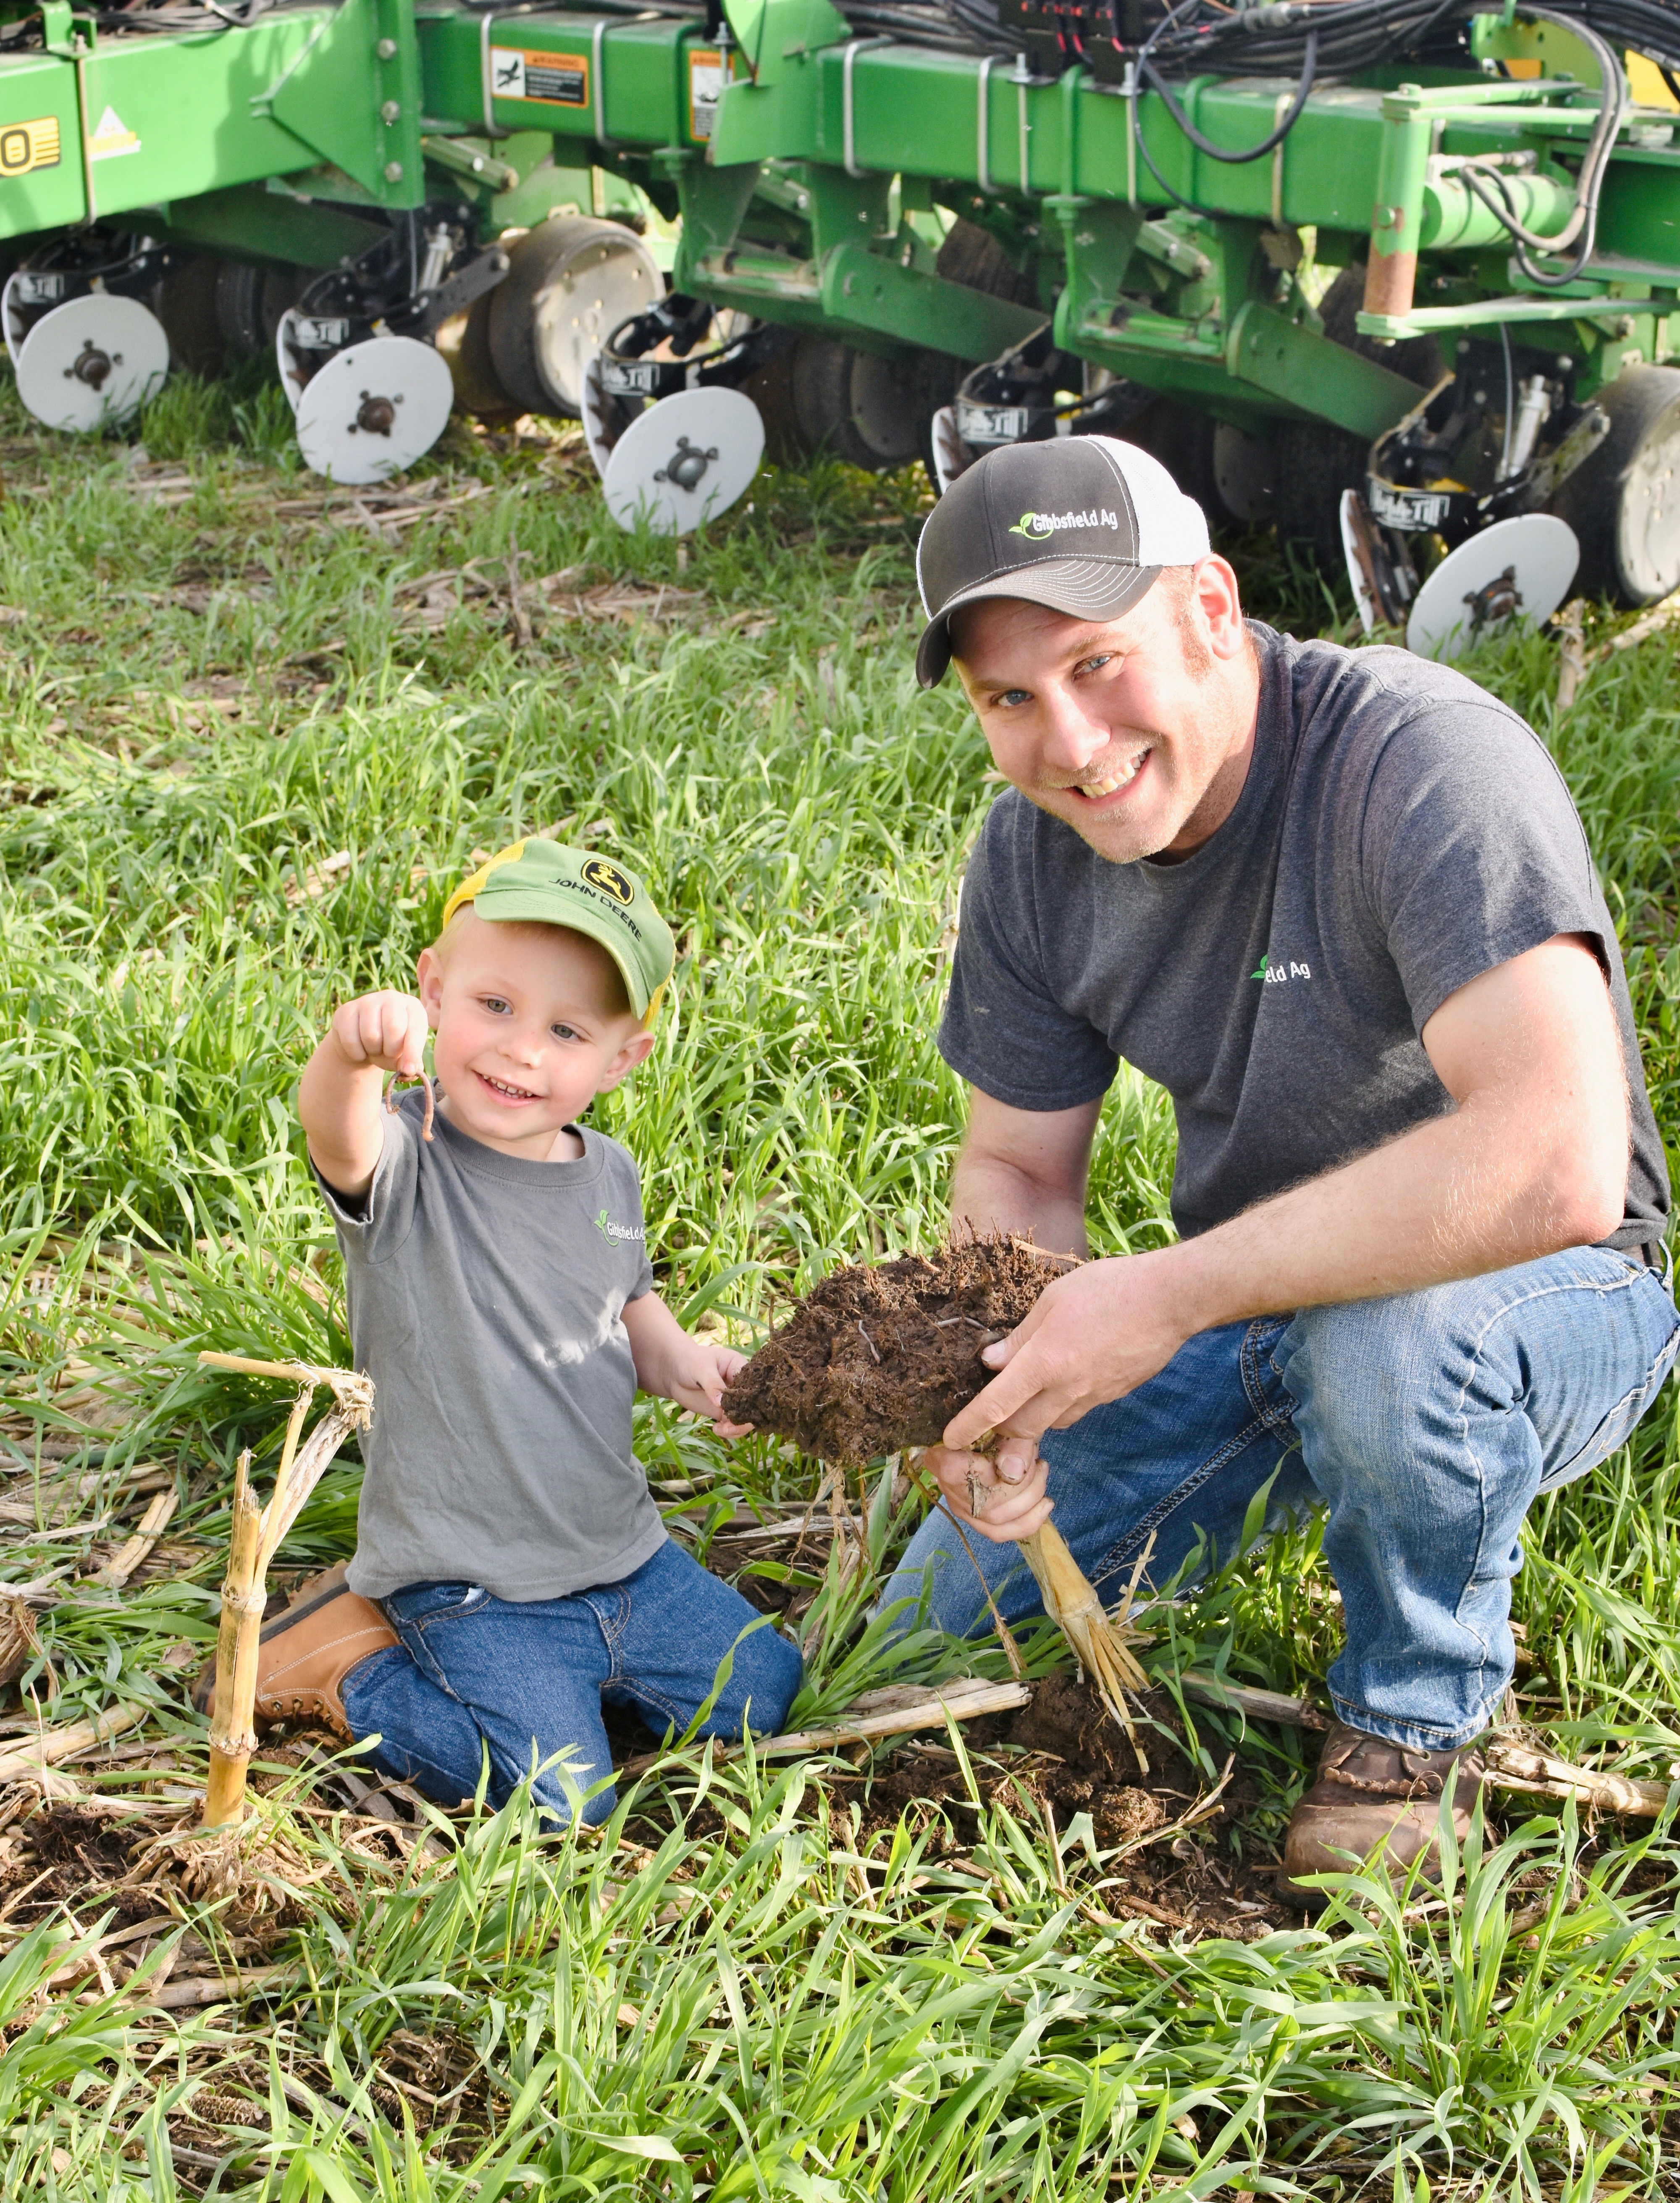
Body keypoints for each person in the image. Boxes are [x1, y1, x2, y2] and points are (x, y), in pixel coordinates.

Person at [877, 434, 1678, 1896]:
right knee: (934, 1623)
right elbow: (1016, 1170)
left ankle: (1411, 1718)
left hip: (1543, 1294)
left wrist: (1168, 1294)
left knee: (1389, 1348)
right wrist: (1006, 1378)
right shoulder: (1033, 858)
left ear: (1207, 606)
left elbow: (1556, 1160)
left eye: (1098, 662)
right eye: (1009, 697)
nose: (1068, 739)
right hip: (1253, 1312)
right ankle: (1307, 1441)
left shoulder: (1417, 763)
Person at [200, 839, 801, 1822]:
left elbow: (622, 1305)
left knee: (764, 1695)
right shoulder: (406, 1156)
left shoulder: (607, 1172)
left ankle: (575, 1685)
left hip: (619, 1556)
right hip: (468, 1578)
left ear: (622, 1059)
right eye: (495, 1006)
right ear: (434, 990)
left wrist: (683, 1360)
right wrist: (349, 1051)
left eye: (567, 1030)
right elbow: (334, 1134)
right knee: (565, 1803)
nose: (522, 1049)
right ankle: (351, 1668)